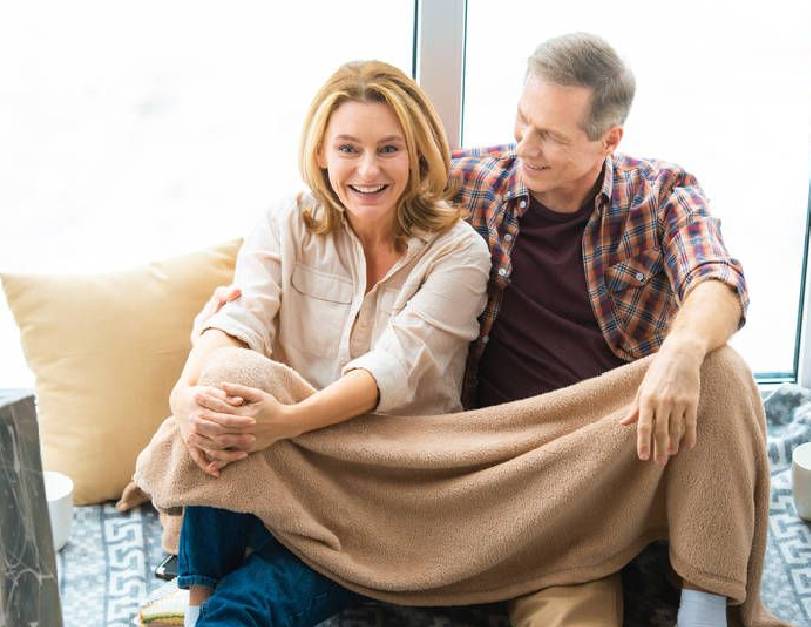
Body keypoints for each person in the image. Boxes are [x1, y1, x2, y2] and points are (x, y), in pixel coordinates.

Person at [180, 32, 755, 627]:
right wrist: (212, 339)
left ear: (609, 140)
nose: (525, 147)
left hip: (594, 442)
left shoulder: (661, 195)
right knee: (230, 380)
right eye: (522, 120)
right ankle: (197, 591)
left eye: (551, 136)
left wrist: (681, 353)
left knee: (721, 369)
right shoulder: (474, 180)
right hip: (482, 446)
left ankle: (705, 607)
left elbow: (716, 278)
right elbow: (364, 193)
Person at [165, 60, 492, 627]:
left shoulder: (459, 253)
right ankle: (196, 600)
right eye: (348, 148)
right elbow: (238, 320)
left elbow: (392, 367)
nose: (367, 170)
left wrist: (284, 422)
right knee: (225, 383)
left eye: (388, 149)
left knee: (244, 609)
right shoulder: (285, 222)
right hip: (287, 472)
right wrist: (182, 398)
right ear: (321, 152)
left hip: (379, 497)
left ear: (417, 154)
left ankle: (208, 607)